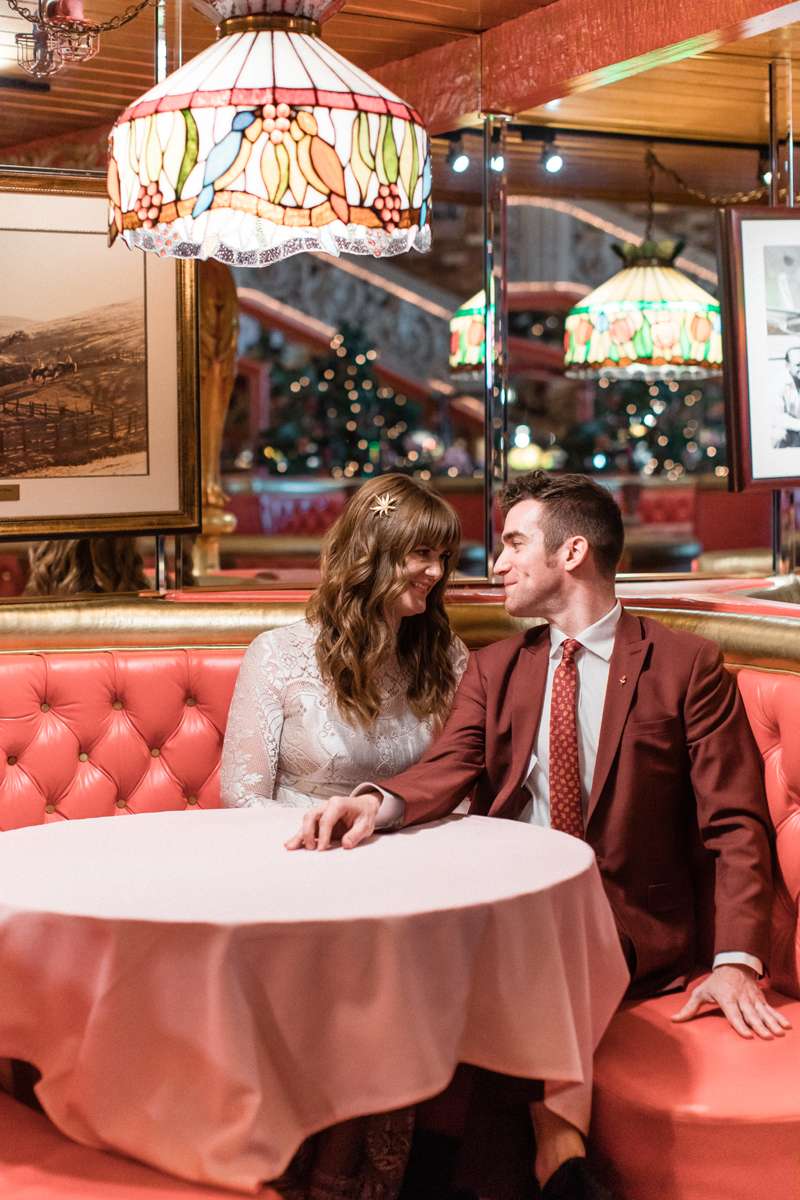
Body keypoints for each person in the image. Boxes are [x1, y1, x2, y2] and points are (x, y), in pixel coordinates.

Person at [287, 470, 784, 1200]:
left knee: (527, 944)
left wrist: (737, 959)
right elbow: (445, 769)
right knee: (455, 942)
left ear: (572, 552)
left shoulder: (683, 666)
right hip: (514, 914)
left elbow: (735, 823)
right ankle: (556, 1158)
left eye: (515, 543)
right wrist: (374, 803)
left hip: (627, 922)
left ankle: (496, 1169)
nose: (497, 564)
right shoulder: (496, 670)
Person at [221, 471, 468, 1200]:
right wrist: (325, 851)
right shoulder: (279, 654)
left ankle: (357, 1178)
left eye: (442, 557)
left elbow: (461, 778)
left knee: (393, 953)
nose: (435, 572)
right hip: (299, 872)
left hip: (410, 876)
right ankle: (307, 1171)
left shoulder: (445, 658)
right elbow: (241, 796)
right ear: (371, 553)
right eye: (420, 553)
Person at [770, 346, 800, 449]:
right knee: (779, 434)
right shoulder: (778, 384)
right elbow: (777, 418)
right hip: (787, 430)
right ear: (787, 366)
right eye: (798, 365)